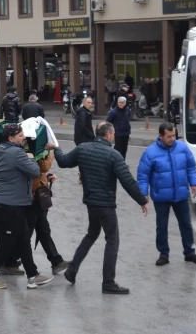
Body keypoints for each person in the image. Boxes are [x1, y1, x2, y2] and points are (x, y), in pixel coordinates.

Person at [54, 122, 148, 294]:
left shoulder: (83, 149)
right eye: (113, 134)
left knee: (91, 234)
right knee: (112, 241)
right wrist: (142, 200)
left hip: (91, 203)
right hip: (106, 205)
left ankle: (72, 270)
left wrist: (55, 147)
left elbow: (63, 162)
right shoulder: (114, 155)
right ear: (109, 135)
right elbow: (127, 181)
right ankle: (108, 282)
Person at [0, 124, 54, 290]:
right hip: (10, 204)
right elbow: (35, 171)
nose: (24, 138)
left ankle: (32, 275)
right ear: (11, 138)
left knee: (24, 239)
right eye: (20, 135)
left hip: (5, 202)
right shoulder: (18, 153)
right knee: (7, 242)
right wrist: (30, 156)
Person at [137, 123, 196, 266]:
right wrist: (144, 193)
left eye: (173, 135)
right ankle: (163, 254)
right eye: (169, 136)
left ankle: (189, 252)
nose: (172, 139)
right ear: (160, 136)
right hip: (161, 196)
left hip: (181, 195)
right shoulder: (150, 152)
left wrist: (194, 183)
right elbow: (143, 175)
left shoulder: (182, 148)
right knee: (162, 226)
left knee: (186, 224)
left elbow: (191, 166)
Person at [26, 151, 70, 275]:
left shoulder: (37, 149)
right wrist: (51, 152)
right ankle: (9, 261)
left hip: (38, 196)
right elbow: (42, 166)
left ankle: (56, 261)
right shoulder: (32, 149)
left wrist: (47, 176)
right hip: (31, 197)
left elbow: (41, 169)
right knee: (26, 234)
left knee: (43, 230)